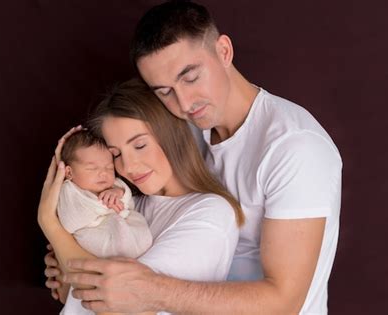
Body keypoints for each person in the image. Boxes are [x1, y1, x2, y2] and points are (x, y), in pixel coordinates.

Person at [44, 1, 343, 314]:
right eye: (164, 91)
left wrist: (149, 291)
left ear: (224, 51)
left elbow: (283, 302)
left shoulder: (294, 147)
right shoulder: (185, 132)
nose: (184, 102)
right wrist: (72, 258)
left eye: (190, 77)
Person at [38, 78, 244, 314]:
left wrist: (50, 223)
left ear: (170, 135)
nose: (128, 166)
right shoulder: (130, 206)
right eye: (115, 154)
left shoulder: (211, 214)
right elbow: (73, 293)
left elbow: (127, 307)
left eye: (139, 145)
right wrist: (67, 272)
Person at [50, 129, 153, 312]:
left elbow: (127, 201)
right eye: (92, 168)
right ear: (69, 173)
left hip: (125, 237)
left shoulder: (113, 186)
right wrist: (107, 206)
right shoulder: (69, 191)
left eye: (109, 168)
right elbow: (71, 221)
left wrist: (118, 194)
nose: (103, 174)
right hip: (92, 238)